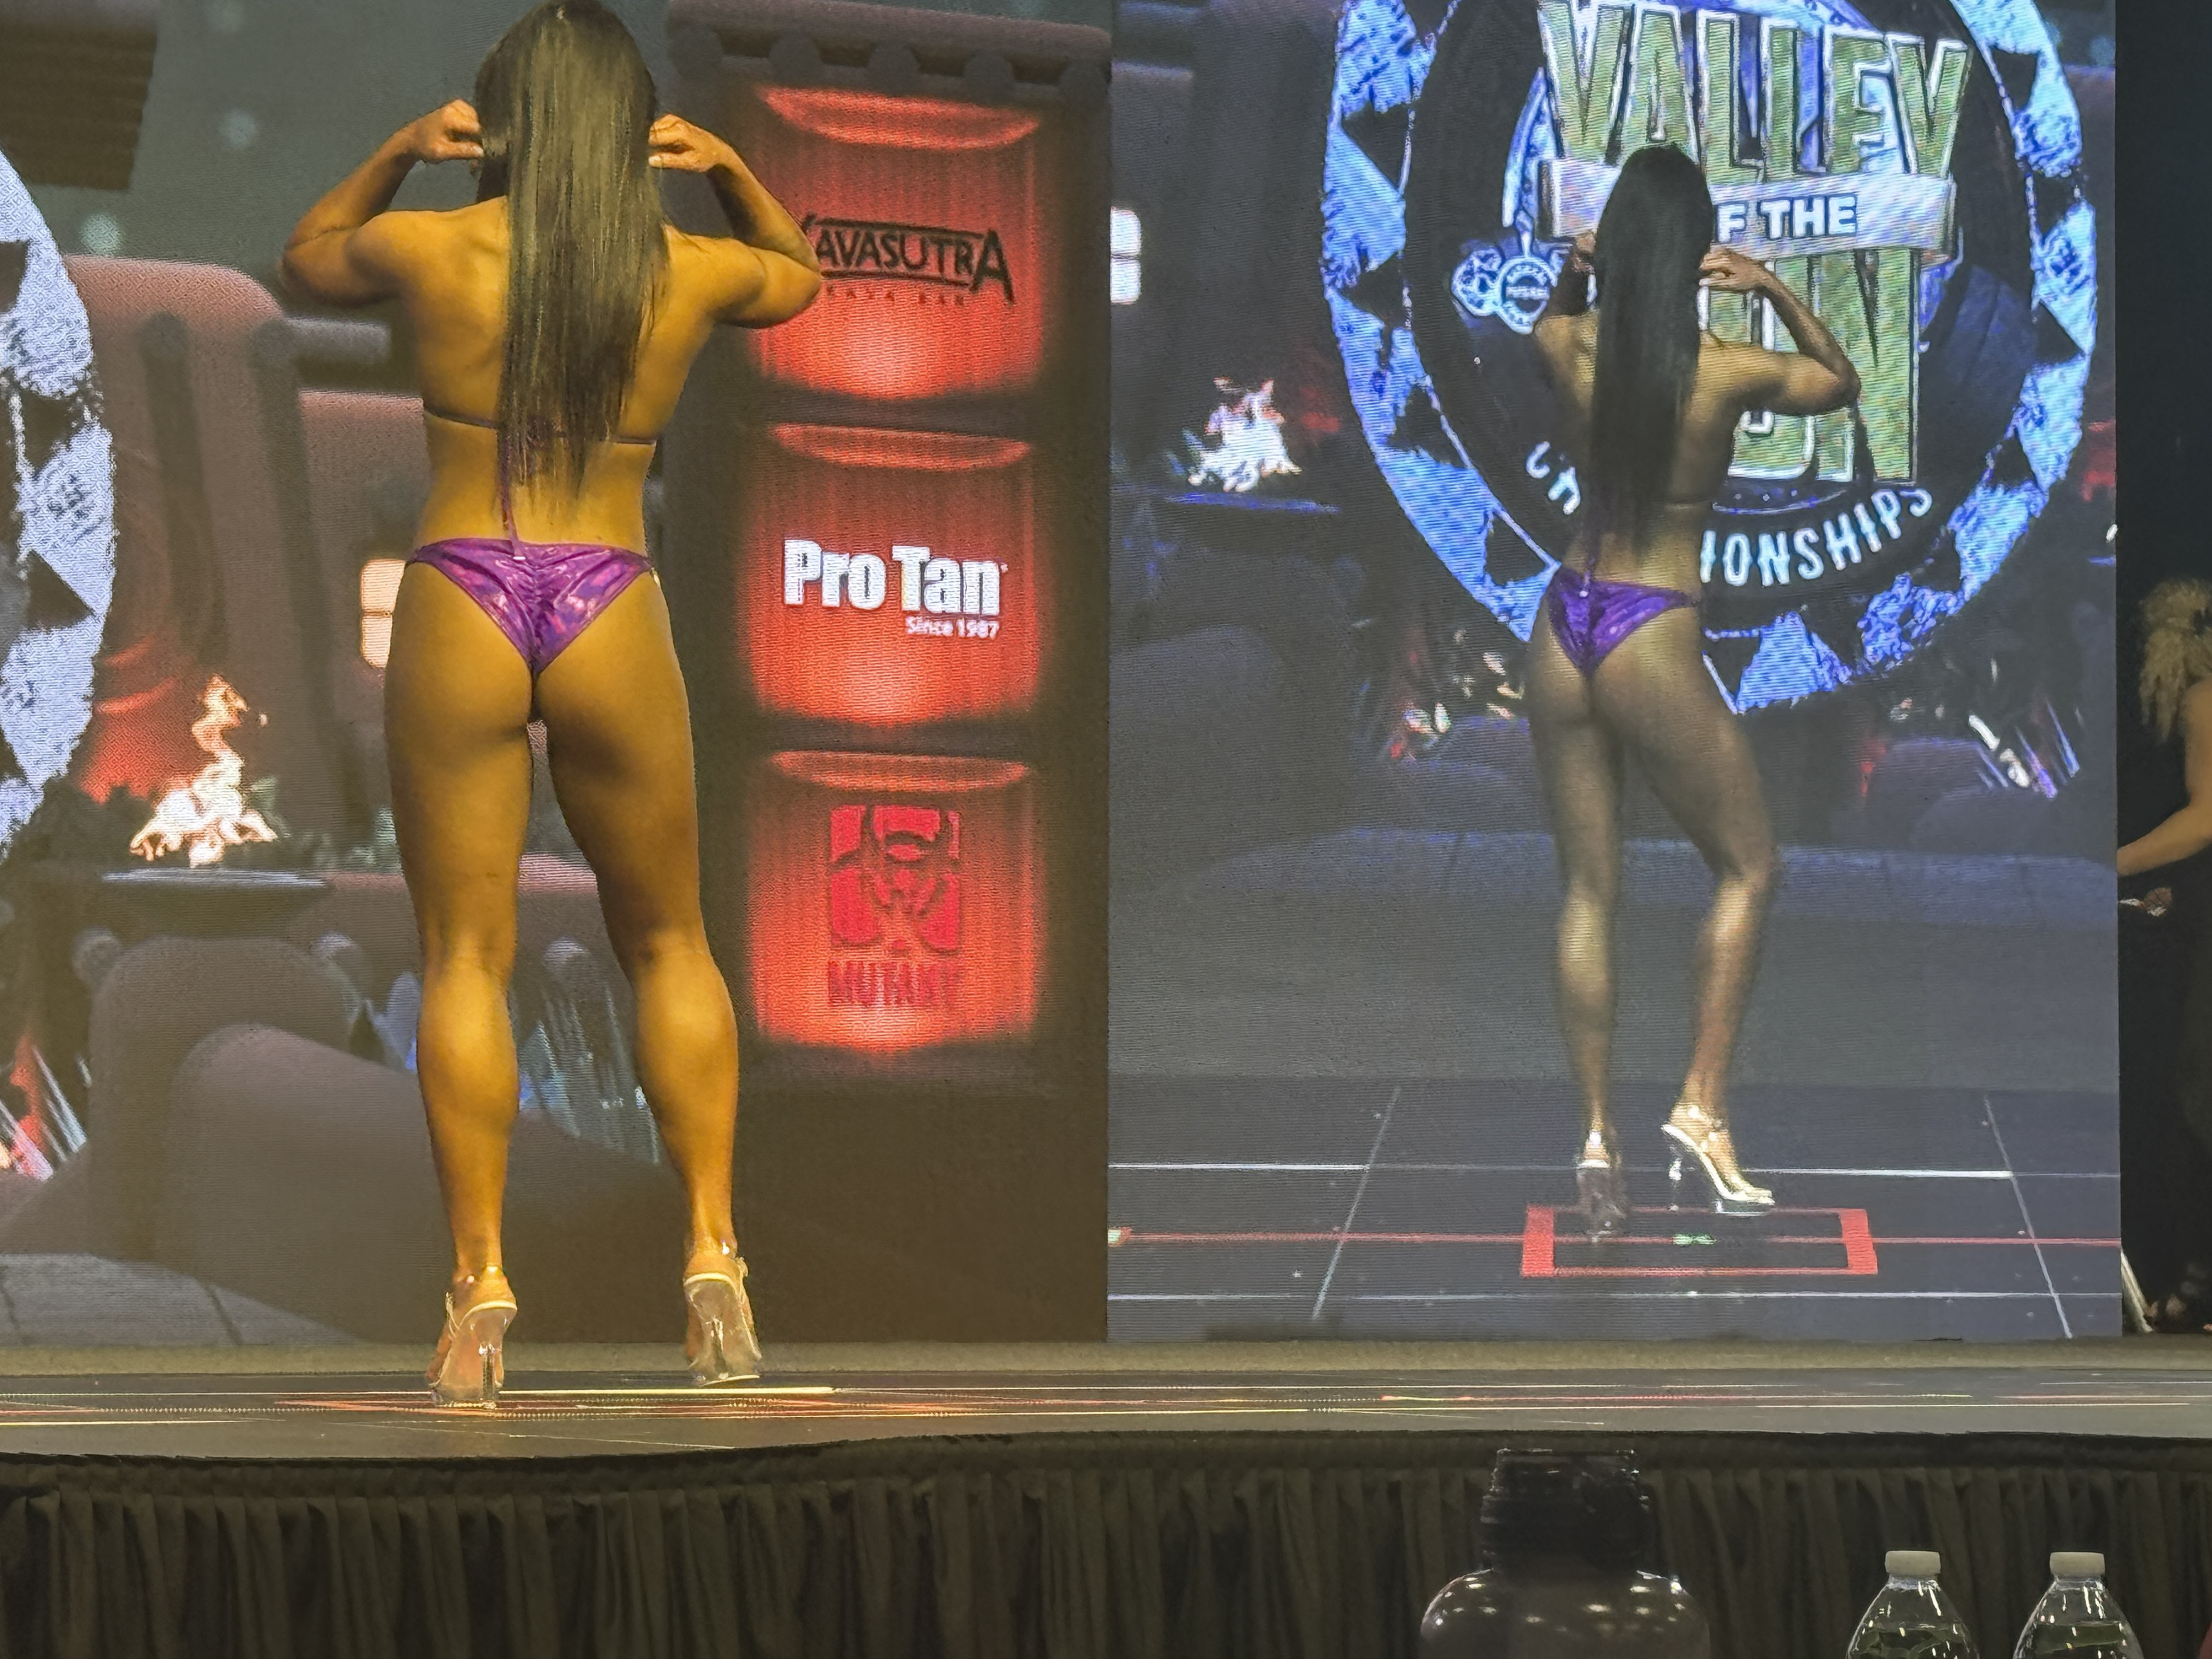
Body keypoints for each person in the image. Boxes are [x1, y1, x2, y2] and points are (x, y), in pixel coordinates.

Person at [280, 1, 820, 1403]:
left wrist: (402, 149)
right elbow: (798, 277)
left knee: (465, 954)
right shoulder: (684, 270)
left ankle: (478, 1282)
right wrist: (724, 166)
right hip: (607, 596)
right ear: (632, 130)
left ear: (501, 124)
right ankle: (713, 1251)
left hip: (464, 585)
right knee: (670, 943)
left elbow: (309, 255)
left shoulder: (436, 245)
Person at [1528, 145, 1858, 1238]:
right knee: (1751, 866)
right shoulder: (1724, 369)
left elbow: (1551, 325)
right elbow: (1840, 382)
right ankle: (1700, 1109)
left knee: (1588, 890)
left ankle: (1594, 1136)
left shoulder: (1568, 345)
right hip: (1651, 627)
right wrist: (1773, 287)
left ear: (1617, 242)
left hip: (1566, 615)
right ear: (1696, 250)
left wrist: (1578, 273)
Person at [2117, 577, 2212, 1331]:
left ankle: (2199, 1274)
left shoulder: (2204, 699)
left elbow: (2205, 817)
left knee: (2195, 1093)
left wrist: (2111, 865)